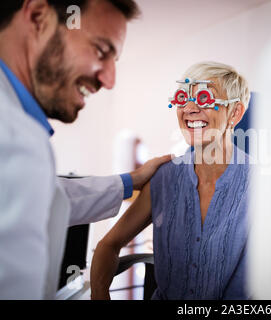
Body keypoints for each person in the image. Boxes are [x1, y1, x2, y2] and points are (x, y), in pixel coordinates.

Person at [0, 0, 172, 299]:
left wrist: (130, 181)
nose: (109, 80)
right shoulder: (16, 136)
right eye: (101, 51)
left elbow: (46, 194)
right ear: (39, 17)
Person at [90, 61, 271, 300]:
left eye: (204, 98)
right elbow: (107, 246)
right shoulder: (163, 178)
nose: (189, 109)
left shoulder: (262, 183)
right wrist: (100, 295)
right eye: (182, 98)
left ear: (235, 113)